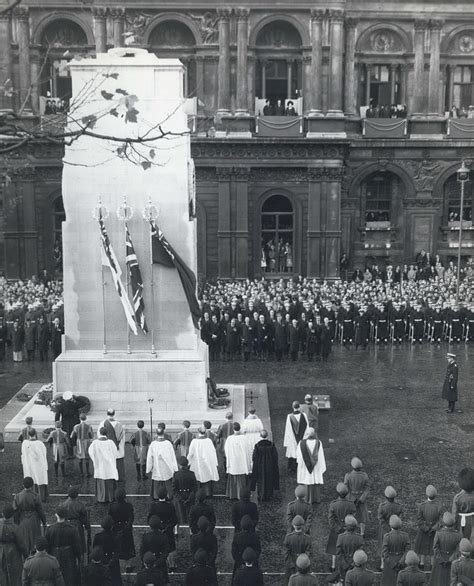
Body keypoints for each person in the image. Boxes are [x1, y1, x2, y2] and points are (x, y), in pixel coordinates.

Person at [45, 504, 81, 586]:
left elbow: (47, 545)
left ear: (56, 515)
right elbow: (77, 545)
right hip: (68, 555)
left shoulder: (50, 529)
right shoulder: (72, 529)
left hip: (54, 554)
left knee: (55, 576)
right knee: (69, 577)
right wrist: (78, 556)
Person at [326, 482, 357, 570]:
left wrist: (337, 528)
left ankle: (333, 565)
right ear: (346, 493)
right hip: (348, 527)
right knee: (349, 547)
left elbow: (331, 519)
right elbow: (353, 515)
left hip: (336, 528)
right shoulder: (351, 504)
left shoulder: (333, 504)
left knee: (334, 548)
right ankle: (351, 564)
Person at [147, 486, 178, 571]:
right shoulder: (170, 506)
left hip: (157, 530)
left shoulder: (154, 506)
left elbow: (149, 519)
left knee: (158, 547)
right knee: (171, 547)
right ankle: (172, 564)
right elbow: (175, 520)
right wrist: (168, 528)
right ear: (166, 495)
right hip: (168, 530)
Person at [13, 477, 46, 555]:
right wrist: (44, 521)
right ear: (32, 485)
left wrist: (16, 522)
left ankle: (26, 558)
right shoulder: (36, 496)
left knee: (24, 539)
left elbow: (15, 511)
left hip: (23, 518)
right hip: (34, 519)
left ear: (23, 485)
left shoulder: (17, 496)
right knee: (35, 538)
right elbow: (40, 510)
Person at [413, 484, 442, 569]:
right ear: (435, 495)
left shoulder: (422, 506)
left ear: (426, 495)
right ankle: (432, 566)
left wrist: (426, 528)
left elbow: (419, 520)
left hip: (424, 530)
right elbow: (441, 520)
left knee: (422, 548)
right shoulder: (439, 505)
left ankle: (421, 564)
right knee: (432, 548)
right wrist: (433, 528)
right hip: (433, 530)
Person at [88, 427, 118, 503]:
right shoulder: (111, 442)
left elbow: (90, 452)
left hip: (100, 465)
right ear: (106, 433)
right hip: (109, 466)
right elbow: (115, 453)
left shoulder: (95, 443)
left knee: (101, 480)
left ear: (99, 433)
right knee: (109, 479)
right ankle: (110, 497)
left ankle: (101, 498)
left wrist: (95, 460)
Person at [296, 427, 326, 504]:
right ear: (314, 434)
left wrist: (301, 464)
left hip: (305, 467)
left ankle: (306, 498)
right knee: (315, 480)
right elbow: (321, 456)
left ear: (306, 434)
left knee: (307, 480)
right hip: (316, 466)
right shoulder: (319, 442)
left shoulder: (301, 443)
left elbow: (299, 457)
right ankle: (316, 498)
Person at [146, 427, 178, 499]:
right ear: (163, 433)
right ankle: (169, 496)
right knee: (168, 482)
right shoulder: (168, 443)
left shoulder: (153, 444)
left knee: (156, 482)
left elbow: (149, 457)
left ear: (156, 434)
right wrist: (175, 468)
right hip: (167, 467)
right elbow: (173, 456)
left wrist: (149, 468)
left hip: (157, 466)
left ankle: (156, 496)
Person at [108, 488, 135, 571]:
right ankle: (128, 566)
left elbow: (110, 518)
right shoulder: (129, 506)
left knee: (116, 547)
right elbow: (131, 518)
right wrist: (127, 527)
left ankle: (117, 565)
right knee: (128, 547)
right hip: (126, 529)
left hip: (116, 529)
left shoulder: (112, 506)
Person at [431, 511, 461, 586]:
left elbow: (435, 548)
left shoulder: (438, 533)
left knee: (438, 580)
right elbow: (458, 550)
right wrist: (451, 559)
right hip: (452, 561)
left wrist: (440, 559)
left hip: (439, 561)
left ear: (444, 523)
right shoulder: (458, 535)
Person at [0, 504, 27, 586]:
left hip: (1, 551)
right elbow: (21, 544)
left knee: (2, 574)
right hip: (13, 552)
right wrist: (26, 555)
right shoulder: (15, 527)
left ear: (2, 514)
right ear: (12, 515)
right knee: (15, 574)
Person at [188, 426, 219, 497]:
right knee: (207, 476)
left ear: (198, 432)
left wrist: (188, 462)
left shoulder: (194, 441)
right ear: (205, 433)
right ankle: (208, 493)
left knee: (198, 476)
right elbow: (213, 452)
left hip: (198, 461)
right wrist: (215, 463)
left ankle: (199, 492)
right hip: (207, 461)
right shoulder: (208, 441)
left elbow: (191, 453)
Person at [250, 429, 280, 502]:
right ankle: (269, 495)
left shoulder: (257, 446)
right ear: (267, 435)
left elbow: (254, 457)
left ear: (260, 436)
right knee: (269, 480)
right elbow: (275, 457)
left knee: (260, 480)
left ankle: (261, 495)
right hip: (270, 465)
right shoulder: (272, 445)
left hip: (260, 466)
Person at [378, 486, 403, 569]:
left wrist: (387, 528)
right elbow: (401, 518)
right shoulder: (398, 506)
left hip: (385, 530)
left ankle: (382, 565)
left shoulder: (382, 506)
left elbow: (381, 519)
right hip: (396, 528)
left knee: (383, 545)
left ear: (386, 497)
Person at [92, 516, 122, 585]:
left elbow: (95, 550)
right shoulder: (116, 536)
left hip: (101, 561)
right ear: (111, 526)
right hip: (113, 562)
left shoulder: (98, 536)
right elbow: (118, 551)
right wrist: (112, 561)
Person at [63, 487, 90, 563]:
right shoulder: (80, 505)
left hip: (67, 525)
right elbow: (84, 518)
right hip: (77, 526)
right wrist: (87, 527)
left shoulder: (64, 504)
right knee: (79, 544)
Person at [224, 422, 251, 499]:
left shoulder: (229, 439)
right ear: (240, 428)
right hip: (242, 461)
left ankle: (233, 494)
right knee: (242, 477)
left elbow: (226, 450)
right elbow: (248, 449)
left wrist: (229, 457)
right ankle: (242, 494)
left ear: (233, 429)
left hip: (233, 460)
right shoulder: (244, 438)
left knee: (233, 475)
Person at [344, 457, 370, 538]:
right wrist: (362, 498)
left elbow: (346, 489)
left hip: (351, 498)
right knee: (362, 516)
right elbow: (367, 489)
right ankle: (362, 533)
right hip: (361, 498)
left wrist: (352, 499)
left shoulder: (348, 476)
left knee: (351, 515)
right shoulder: (364, 475)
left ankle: (352, 531)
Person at [381, 515, 410, 585]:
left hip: (389, 563)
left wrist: (392, 564)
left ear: (390, 525)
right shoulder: (405, 536)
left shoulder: (387, 536)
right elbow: (407, 551)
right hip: (402, 562)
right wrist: (401, 562)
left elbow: (385, 553)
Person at [139, 515, 169, 582]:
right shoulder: (164, 537)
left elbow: (141, 552)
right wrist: (157, 563)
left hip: (147, 563)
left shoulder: (146, 537)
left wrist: (145, 562)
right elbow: (165, 553)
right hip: (160, 564)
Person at [98, 409, 125, 483]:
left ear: (107, 413)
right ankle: (119, 478)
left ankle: (109, 476)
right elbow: (122, 438)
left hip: (107, 449)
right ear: (114, 414)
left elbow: (100, 437)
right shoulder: (119, 424)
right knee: (118, 465)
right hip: (117, 450)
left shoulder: (102, 424)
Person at [335, 515, 364, 584]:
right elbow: (361, 553)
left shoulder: (340, 537)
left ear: (346, 526)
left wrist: (345, 565)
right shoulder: (359, 538)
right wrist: (354, 564)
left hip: (343, 566)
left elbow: (338, 553)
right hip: (356, 565)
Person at [283, 515, 312, 585]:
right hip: (303, 564)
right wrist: (303, 560)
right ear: (302, 526)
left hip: (291, 564)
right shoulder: (307, 538)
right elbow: (308, 552)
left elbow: (286, 553)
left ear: (293, 525)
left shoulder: (288, 537)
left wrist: (291, 565)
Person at [21, 429, 48, 501]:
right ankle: (42, 497)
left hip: (29, 465)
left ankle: (30, 497)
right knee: (40, 479)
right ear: (35, 434)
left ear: (28, 434)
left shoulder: (25, 443)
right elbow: (44, 454)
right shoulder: (40, 443)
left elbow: (23, 454)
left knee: (31, 478)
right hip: (39, 465)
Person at [284, 401, 309, 472]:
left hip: (292, 437)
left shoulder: (289, 416)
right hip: (303, 436)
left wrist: (287, 441)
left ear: (293, 407)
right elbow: (307, 427)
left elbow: (288, 429)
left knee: (293, 452)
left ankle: (292, 467)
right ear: (299, 407)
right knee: (302, 450)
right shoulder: (304, 415)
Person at [172, 456, 197, 525]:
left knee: (180, 516)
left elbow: (174, 489)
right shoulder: (192, 474)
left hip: (179, 498)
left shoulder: (176, 475)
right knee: (190, 516)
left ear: (179, 465)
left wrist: (180, 498)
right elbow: (194, 488)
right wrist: (190, 498)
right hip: (190, 497)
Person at [452, 467, 474, 540]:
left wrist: (453, 527)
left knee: (462, 539)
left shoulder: (457, 498)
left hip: (462, 522)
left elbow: (454, 515)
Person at [70, 413, 93, 478]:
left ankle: (81, 473)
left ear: (79, 419)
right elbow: (91, 435)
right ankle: (87, 472)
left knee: (80, 458)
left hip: (79, 441)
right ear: (85, 418)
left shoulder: (76, 426)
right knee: (87, 457)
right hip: (86, 442)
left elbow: (72, 436)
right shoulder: (89, 426)